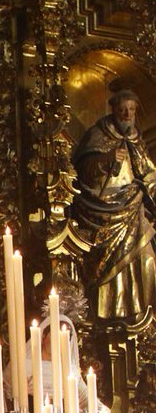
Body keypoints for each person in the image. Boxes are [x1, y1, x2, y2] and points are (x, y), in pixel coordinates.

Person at [70, 89, 156, 324]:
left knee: (146, 257)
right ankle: (112, 316)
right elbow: (82, 171)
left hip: (134, 206)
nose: (128, 114)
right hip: (103, 209)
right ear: (113, 110)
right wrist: (107, 159)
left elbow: (147, 172)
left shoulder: (136, 139)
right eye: (123, 109)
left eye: (132, 110)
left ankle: (143, 313)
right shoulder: (98, 135)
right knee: (112, 267)